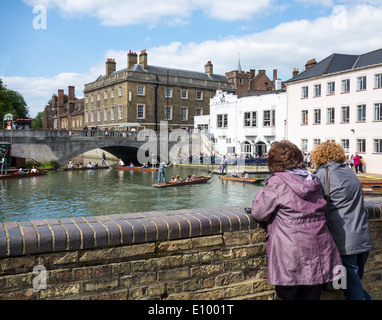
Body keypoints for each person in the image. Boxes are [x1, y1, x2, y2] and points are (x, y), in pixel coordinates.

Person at [251, 140, 342, 300]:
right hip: (318, 249)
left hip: (291, 255)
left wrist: (260, 194)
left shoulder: (278, 181)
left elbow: (259, 212)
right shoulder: (312, 179)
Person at [311, 141, 373, 300]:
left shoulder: (324, 174)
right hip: (362, 238)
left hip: (344, 242)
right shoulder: (349, 171)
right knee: (351, 285)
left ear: (319, 156)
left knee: (351, 290)